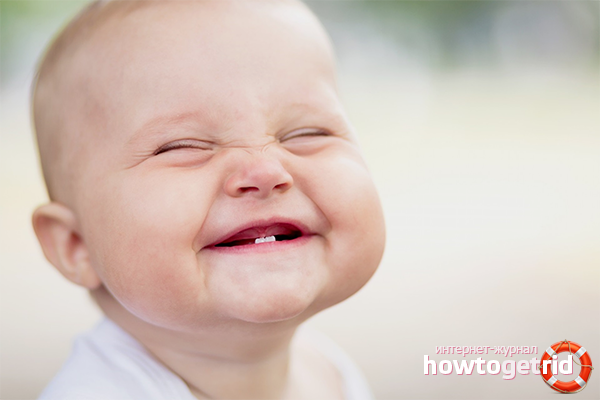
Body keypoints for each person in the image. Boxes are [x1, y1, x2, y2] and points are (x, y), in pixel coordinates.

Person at [31, 0, 386, 398]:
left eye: (307, 133)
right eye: (182, 146)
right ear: (75, 244)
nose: (265, 171)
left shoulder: (330, 372)